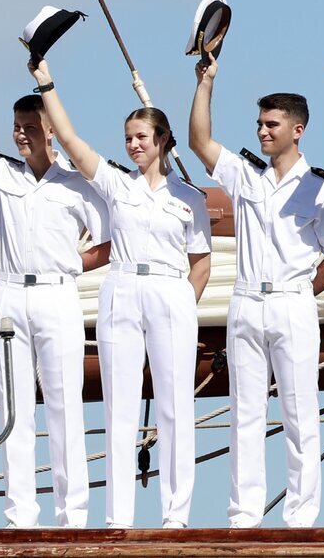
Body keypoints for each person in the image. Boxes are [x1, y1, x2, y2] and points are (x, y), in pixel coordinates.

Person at [0, 44, 110, 528]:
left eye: (30, 128)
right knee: (14, 413)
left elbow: (111, 244)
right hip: (10, 295)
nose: (21, 135)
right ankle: (20, 516)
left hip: (57, 295)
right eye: (17, 128)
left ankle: (72, 516)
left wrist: (72, 264)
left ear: (50, 131)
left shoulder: (77, 185)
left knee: (64, 407)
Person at [29, 58, 211, 529]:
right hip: (122, 288)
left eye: (141, 138)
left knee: (175, 405)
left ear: (163, 141)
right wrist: (46, 81)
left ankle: (176, 516)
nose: (132, 145)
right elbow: (70, 140)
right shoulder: (115, 184)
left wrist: (182, 310)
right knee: (120, 405)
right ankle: (118, 517)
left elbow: (202, 263)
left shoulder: (189, 198)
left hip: (171, 290)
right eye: (128, 138)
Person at [190, 54, 324, 528]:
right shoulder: (245, 175)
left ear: (297, 129)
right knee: (244, 413)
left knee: (300, 411)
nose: (262, 132)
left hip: (291, 301)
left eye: (272, 124)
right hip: (245, 301)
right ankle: (243, 514)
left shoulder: (323, 190)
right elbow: (200, 140)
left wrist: (301, 290)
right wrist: (206, 81)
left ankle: (301, 515)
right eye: (260, 124)